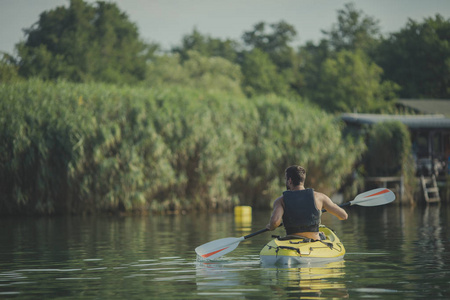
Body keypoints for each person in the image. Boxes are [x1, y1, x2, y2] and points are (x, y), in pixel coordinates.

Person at [266, 165, 348, 240]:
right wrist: (332, 206)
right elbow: (343, 216)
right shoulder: (320, 197)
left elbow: (275, 222)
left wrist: (271, 226)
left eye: (286, 179)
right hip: (314, 240)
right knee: (322, 235)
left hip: (292, 240)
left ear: (290, 180)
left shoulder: (280, 200)